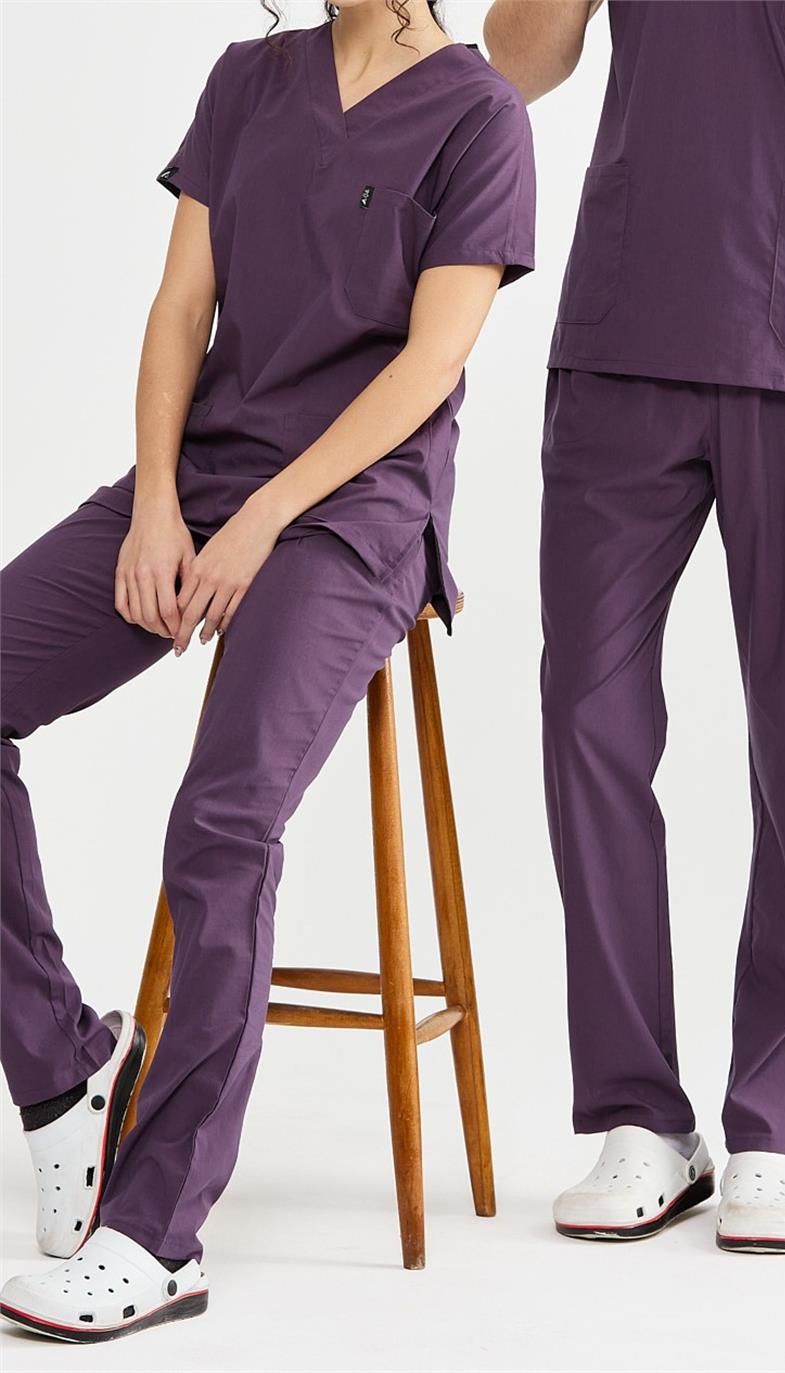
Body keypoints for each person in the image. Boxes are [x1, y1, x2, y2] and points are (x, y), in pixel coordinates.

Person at [0, 0, 535, 1341]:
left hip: (358, 513)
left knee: (223, 819)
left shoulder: (479, 116)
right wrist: (156, 503)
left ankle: (157, 1233)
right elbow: (183, 308)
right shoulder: (248, 80)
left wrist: (265, 516)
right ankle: (64, 1072)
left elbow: (431, 362)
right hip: (205, 479)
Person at [485, 0, 785, 1253]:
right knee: (585, 716)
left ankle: (770, 1126)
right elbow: (516, 63)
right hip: (628, 328)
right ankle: (639, 1114)